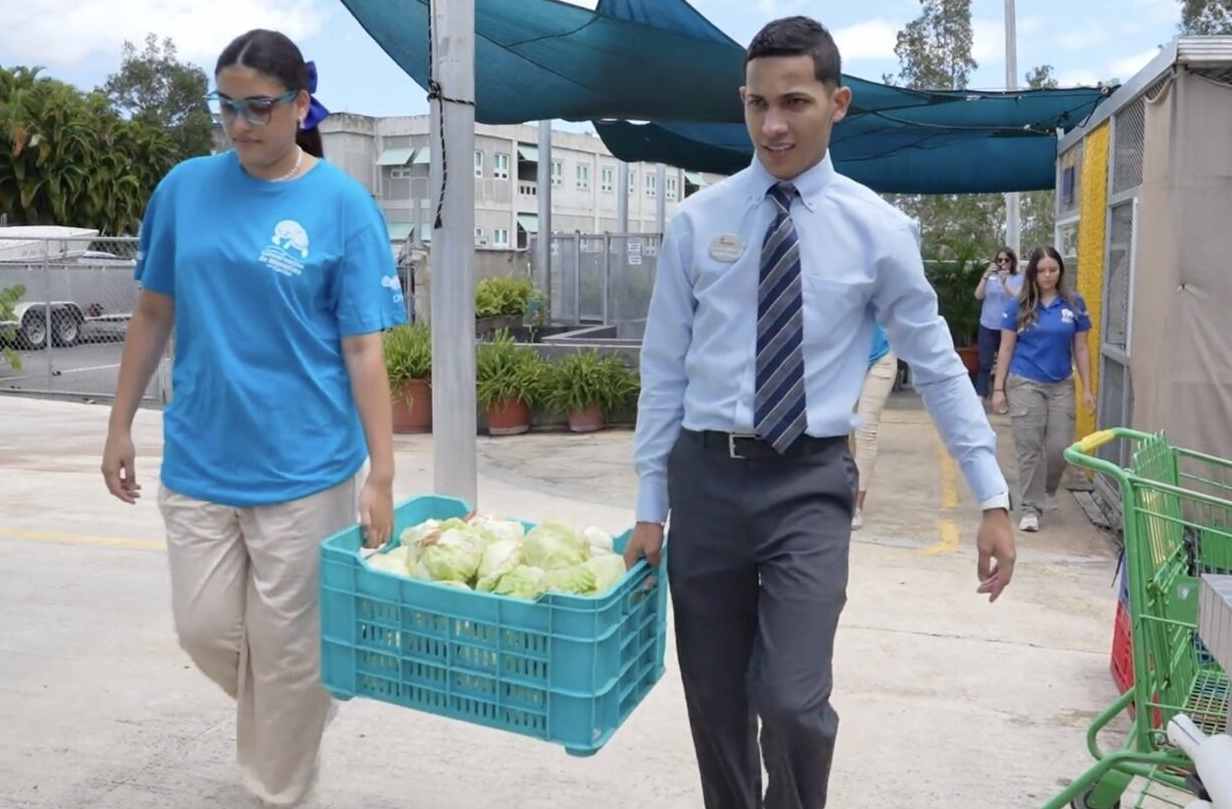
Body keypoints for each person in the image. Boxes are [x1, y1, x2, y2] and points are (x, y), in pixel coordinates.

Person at [623, 16, 1016, 809]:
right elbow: (662, 371)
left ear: (837, 103)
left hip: (809, 481)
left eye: (794, 102)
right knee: (717, 705)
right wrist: (649, 505)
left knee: (793, 701)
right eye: (757, 103)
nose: (773, 124)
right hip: (705, 478)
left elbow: (938, 366)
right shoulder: (699, 224)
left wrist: (992, 493)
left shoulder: (877, 230)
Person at [100, 29, 406, 808]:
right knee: (207, 631)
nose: (241, 126)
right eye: (228, 108)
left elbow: (365, 349)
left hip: (307, 469)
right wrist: (119, 424)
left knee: (289, 654)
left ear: (300, 105)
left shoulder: (342, 204)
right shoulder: (183, 190)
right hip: (201, 456)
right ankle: (305, 688)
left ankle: (278, 788)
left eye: (259, 108)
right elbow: (151, 310)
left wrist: (384, 473)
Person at [991, 246, 1094, 533]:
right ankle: (1030, 508)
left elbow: (1082, 347)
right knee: (1029, 447)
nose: (1048, 275)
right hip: (1024, 382)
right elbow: (1007, 346)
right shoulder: (1019, 306)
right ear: (1033, 273)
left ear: (1061, 272)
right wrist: (998, 389)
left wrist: (1087, 388)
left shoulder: (1074, 304)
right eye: (1042, 270)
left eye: (1053, 269)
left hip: (1061, 384)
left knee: (1060, 448)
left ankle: (1047, 490)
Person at [850, 323, 897, 530]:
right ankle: (837, 495)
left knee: (865, 431)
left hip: (881, 358)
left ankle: (856, 506)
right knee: (840, 432)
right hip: (844, 360)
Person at [974, 247, 1023, 404]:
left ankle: (1006, 395)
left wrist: (1004, 282)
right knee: (985, 362)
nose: (1002, 263)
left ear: (1012, 262)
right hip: (988, 325)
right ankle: (981, 395)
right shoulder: (990, 278)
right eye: (999, 260)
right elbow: (978, 295)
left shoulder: (1018, 278)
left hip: (1008, 328)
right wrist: (985, 276)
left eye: (1006, 260)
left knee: (1008, 363)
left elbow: (1018, 299)